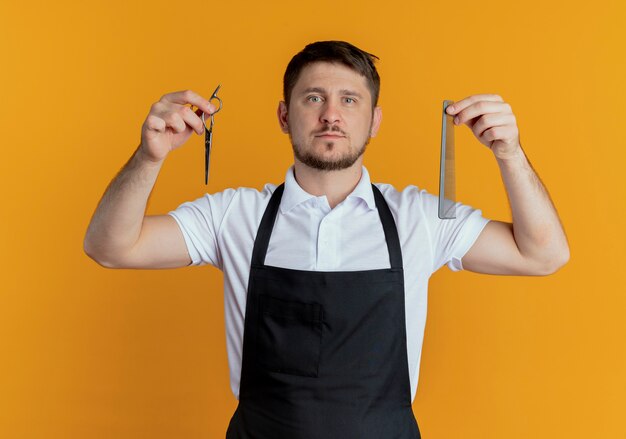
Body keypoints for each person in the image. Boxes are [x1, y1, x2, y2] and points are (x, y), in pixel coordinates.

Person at [83, 40, 570, 438]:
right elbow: (110, 247)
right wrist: (150, 157)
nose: (331, 115)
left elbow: (543, 255)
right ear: (283, 115)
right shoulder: (234, 215)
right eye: (313, 97)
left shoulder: (421, 217)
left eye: (349, 100)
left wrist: (509, 153)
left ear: (374, 121)